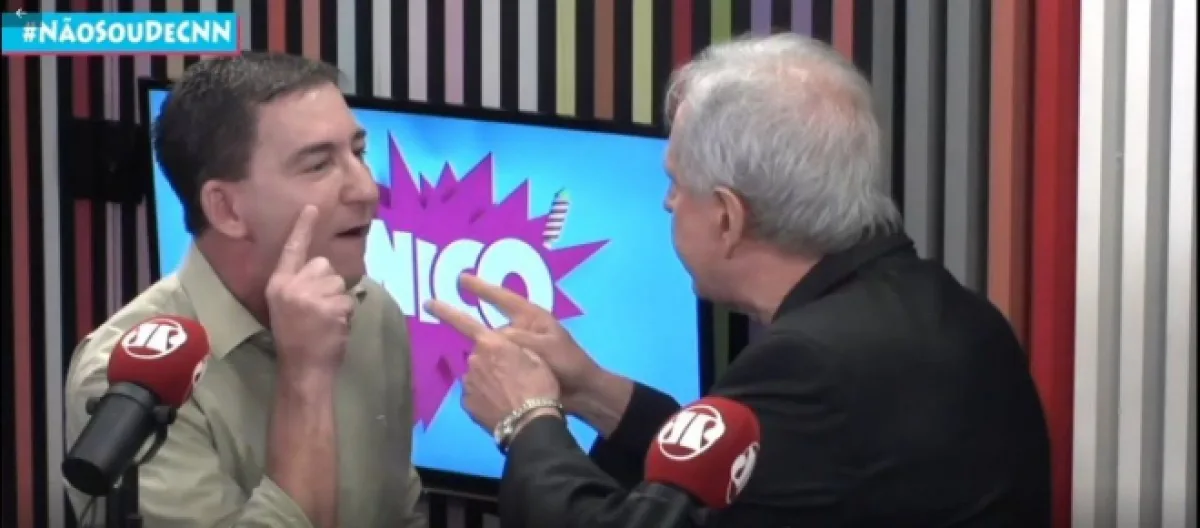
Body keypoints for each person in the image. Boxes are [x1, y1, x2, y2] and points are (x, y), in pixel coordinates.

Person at [426, 33, 1051, 527]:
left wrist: (525, 418)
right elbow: (727, 479)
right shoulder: (946, 309)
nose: (668, 202)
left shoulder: (808, 366)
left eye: (675, 182)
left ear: (727, 217)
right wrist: (592, 390)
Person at [63, 53, 427, 528]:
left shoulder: (372, 311)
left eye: (357, 153)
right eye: (319, 165)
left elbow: (400, 511)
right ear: (227, 209)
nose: (366, 190)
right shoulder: (127, 379)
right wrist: (305, 378)